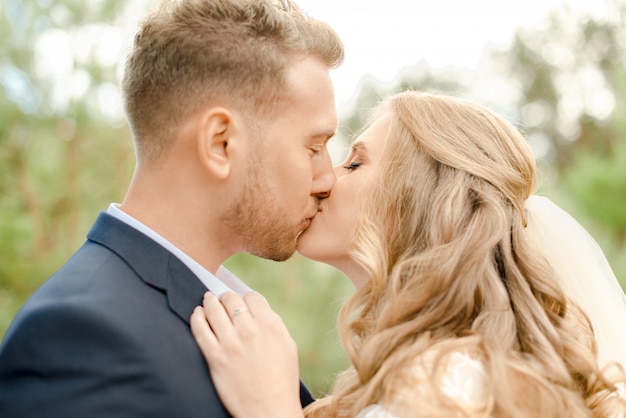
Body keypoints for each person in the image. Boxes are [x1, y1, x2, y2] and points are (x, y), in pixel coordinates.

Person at [0, 0, 343, 416]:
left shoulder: (224, 311)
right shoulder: (83, 340)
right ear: (221, 143)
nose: (327, 179)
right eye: (313, 148)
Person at [190, 91, 626, 417]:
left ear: (420, 202)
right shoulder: (431, 368)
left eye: (355, 164)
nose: (323, 181)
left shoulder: (459, 381)